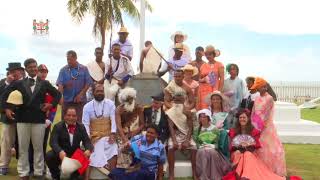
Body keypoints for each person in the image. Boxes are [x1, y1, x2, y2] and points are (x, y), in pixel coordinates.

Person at [1, 58, 61, 179]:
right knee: (23, 148)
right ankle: (23, 172)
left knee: (38, 147)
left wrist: (51, 105)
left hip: (39, 119)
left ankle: (39, 172)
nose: (33, 68)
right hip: (22, 119)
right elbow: (4, 95)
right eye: (30, 67)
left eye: (35, 66)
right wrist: (7, 109)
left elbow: (57, 94)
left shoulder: (44, 83)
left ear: (37, 67)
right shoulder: (19, 83)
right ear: (26, 69)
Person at [226, 109, 285, 180]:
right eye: (240, 118)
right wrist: (239, 145)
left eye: (244, 117)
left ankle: (244, 175)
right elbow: (232, 145)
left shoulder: (253, 131)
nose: (242, 119)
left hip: (249, 153)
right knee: (239, 153)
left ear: (248, 119)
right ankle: (240, 174)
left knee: (247, 154)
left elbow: (256, 145)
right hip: (237, 152)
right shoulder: (233, 131)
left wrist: (248, 145)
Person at [250, 77, 286, 176]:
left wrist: (260, 126)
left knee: (267, 147)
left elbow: (267, 114)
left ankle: (269, 170)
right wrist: (253, 124)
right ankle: (259, 169)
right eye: (256, 87)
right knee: (258, 147)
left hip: (266, 127)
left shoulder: (269, 98)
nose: (257, 89)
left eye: (259, 87)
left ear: (265, 87)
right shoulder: (257, 98)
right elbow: (253, 111)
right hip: (256, 125)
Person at [46, 106, 93, 180]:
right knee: (49, 155)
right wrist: (60, 151)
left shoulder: (81, 127)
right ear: (64, 116)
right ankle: (55, 176)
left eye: (73, 116)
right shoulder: (58, 126)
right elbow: (53, 142)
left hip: (74, 154)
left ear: (77, 117)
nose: (71, 118)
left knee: (85, 155)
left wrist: (88, 149)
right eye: (69, 115)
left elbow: (87, 141)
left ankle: (75, 176)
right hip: (62, 154)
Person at [82, 84, 118, 177]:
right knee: (90, 151)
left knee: (114, 149)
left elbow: (113, 119)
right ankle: (87, 178)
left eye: (101, 91)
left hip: (108, 135)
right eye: (97, 91)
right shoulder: (87, 106)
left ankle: (112, 176)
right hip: (94, 137)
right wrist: (87, 138)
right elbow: (85, 124)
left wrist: (113, 133)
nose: (100, 93)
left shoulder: (110, 104)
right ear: (93, 92)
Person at [28, 64, 58, 175]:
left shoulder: (49, 86)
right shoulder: (33, 85)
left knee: (42, 144)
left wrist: (50, 119)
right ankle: (31, 167)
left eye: (45, 71)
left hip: (46, 121)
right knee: (31, 144)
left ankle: (42, 166)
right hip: (34, 119)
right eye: (41, 71)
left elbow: (54, 105)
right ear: (37, 72)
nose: (43, 73)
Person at [0, 62, 24, 175]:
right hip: (7, 118)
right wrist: (7, 83)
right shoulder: (3, 83)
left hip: (23, 118)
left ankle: (22, 166)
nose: (13, 73)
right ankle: (3, 166)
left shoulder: (26, 82)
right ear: (8, 72)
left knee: (23, 143)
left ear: (21, 71)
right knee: (6, 142)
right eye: (11, 71)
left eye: (16, 71)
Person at [166, 92, 197, 180]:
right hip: (175, 135)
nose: (178, 102)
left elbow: (190, 127)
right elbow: (171, 127)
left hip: (186, 135)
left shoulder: (188, 112)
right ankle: (172, 174)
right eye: (176, 100)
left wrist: (187, 140)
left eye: (180, 100)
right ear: (173, 101)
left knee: (194, 147)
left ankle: (194, 173)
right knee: (171, 147)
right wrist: (175, 140)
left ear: (184, 100)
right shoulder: (170, 112)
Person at [194, 109, 231, 180]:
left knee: (211, 152)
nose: (202, 119)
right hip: (201, 148)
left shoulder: (214, 129)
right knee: (202, 152)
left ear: (208, 118)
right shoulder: (197, 129)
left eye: (204, 117)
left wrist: (212, 146)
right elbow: (196, 142)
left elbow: (217, 143)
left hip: (213, 149)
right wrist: (201, 146)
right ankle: (204, 176)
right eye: (201, 117)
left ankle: (214, 176)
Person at [57, 50, 93, 122]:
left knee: (79, 123)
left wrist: (81, 94)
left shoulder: (84, 69)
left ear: (76, 58)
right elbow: (60, 84)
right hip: (67, 101)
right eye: (67, 59)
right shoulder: (63, 70)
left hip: (80, 102)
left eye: (71, 59)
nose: (69, 61)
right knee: (65, 123)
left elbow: (88, 82)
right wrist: (59, 97)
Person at [115, 88, 144, 168]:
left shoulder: (139, 108)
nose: (130, 102)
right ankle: (124, 171)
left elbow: (142, 125)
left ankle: (137, 168)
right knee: (123, 148)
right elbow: (119, 126)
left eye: (131, 99)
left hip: (136, 135)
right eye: (128, 100)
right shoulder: (119, 109)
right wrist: (125, 139)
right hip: (122, 136)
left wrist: (134, 133)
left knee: (138, 146)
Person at [206, 91, 232, 159]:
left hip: (221, 133)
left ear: (221, 100)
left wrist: (221, 129)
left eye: (217, 99)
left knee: (223, 133)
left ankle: (222, 155)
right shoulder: (207, 112)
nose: (215, 101)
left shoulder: (225, 113)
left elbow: (226, 126)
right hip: (209, 132)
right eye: (213, 99)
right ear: (211, 100)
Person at [197, 45, 224, 109]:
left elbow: (222, 79)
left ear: (214, 54)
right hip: (203, 90)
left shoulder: (219, 64)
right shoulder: (203, 66)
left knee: (214, 108)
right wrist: (203, 79)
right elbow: (199, 79)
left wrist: (219, 91)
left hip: (214, 90)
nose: (208, 56)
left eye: (210, 54)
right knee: (204, 109)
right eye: (206, 54)